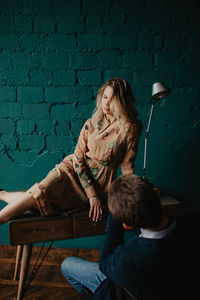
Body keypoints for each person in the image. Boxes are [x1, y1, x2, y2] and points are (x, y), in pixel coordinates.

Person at [0, 78, 142, 225]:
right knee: (39, 191)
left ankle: (2, 194)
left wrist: (132, 197)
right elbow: (78, 159)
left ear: (122, 102)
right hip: (72, 171)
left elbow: (127, 167)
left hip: (100, 186)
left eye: (112, 99)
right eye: (105, 97)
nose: (106, 103)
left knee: (38, 204)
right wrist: (92, 195)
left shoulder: (130, 128)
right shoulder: (91, 124)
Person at [61, 174, 199, 300]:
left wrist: (113, 219)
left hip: (133, 288)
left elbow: (105, 265)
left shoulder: (128, 260)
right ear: (156, 194)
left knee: (67, 265)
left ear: (126, 226)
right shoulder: (193, 222)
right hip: (178, 287)